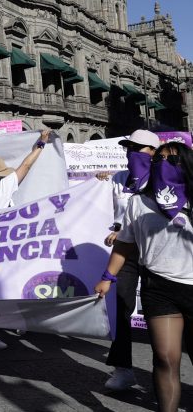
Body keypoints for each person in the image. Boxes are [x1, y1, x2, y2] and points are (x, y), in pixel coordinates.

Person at [95, 141, 193, 412]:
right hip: (159, 289)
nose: (163, 164)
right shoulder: (138, 202)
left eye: (172, 160)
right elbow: (125, 244)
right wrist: (107, 276)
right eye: (158, 159)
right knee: (165, 358)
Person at [0, 129, 52, 349]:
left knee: (0, 285)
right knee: (6, 284)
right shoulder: (2, 187)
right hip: (2, 242)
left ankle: (6, 323)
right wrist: (41, 144)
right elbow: (26, 165)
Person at [101, 129, 159, 391]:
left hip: (157, 255)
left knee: (159, 313)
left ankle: (163, 370)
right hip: (127, 254)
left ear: (153, 153)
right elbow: (115, 213)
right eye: (128, 148)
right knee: (122, 308)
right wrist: (117, 228)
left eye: (138, 148)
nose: (131, 153)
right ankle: (123, 368)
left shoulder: (163, 180)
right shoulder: (119, 179)